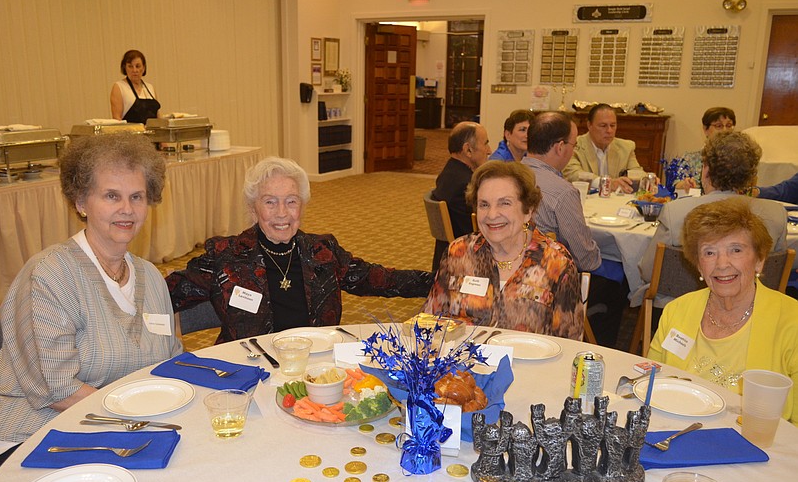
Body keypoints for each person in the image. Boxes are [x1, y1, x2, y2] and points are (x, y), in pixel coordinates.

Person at [0, 133, 182, 471]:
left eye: (137, 197)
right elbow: (58, 390)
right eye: (111, 196)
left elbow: (169, 360)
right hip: (35, 431)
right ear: (81, 203)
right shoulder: (49, 276)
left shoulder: (150, 276)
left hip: (118, 425)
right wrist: (138, 415)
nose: (127, 210)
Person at [167, 157, 433, 342]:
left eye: (291, 201)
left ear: (302, 206)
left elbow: (380, 280)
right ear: (252, 209)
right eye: (270, 202)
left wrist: (439, 281)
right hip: (249, 371)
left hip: (315, 369)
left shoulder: (321, 252)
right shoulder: (227, 256)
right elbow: (164, 294)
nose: (282, 213)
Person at [648, 199, 798, 424]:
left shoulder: (791, 320)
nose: (722, 264)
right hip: (676, 433)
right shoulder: (676, 311)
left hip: (759, 447)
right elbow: (651, 384)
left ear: (759, 260)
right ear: (699, 265)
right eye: (709, 253)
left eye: (736, 250)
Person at [423, 160, 583, 339]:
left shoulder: (556, 262)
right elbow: (431, 321)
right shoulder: (458, 253)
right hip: (463, 364)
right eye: (484, 204)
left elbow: (570, 343)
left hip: (529, 365)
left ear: (528, 210)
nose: (492, 215)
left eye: (504, 203)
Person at [522, 112, 626, 346]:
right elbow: (586, 259)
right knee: (619, 283)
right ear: (560, 147)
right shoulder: (562, 192)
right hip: (547, 280)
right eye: (573, 144)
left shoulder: (506, 175)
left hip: (506, 269)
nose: (573, 150)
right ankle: (601, 347)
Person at [640, 131, 787, 284]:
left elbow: (648, 272)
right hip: (753, 304)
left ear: (706, 170)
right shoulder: (776, 214)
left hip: (680, 304)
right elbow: (774, 275)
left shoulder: (675, 212)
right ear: (751, 175)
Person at [430, 121, 492, 272]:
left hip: (446, 255)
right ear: (468, 150)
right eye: (485, 144)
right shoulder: (466, 185)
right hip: (465, 260)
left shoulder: (448, 174)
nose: (489, 150)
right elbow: (482, 230)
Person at [562, 103, 640, 193]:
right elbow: (574, 175)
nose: (609, 131)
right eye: (603, 126)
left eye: (613, 125)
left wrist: (647, 179)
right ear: (589, 125)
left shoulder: (626, 147)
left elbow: (636, 171)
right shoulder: (574, 145)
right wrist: (607, 183)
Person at [674, 107, 736, 191]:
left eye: (729, 126)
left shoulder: (738, 160)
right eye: (719, 126)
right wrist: (685, 184)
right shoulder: (690, 159)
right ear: (705, 129)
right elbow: (676, 184)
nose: (725, 130)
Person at [110, 49, 161, 123]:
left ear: (143, 68)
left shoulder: (150, 88)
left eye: (138, 66)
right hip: (130, 134)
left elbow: (158, 116)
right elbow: (117, 119)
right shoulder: (119, 87)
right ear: (125, 68)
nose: (134, 70)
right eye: (130, 66)